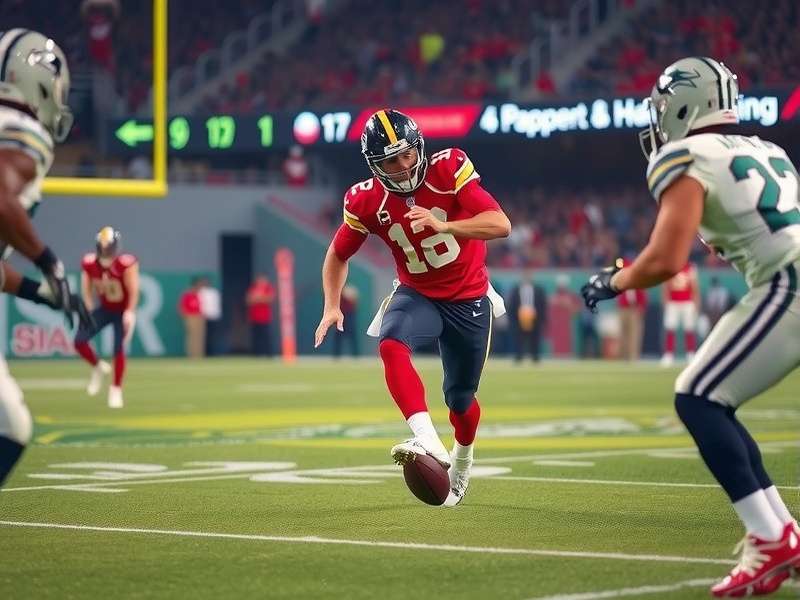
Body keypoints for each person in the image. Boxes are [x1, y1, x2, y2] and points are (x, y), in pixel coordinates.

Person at [581, 57, 800, 597]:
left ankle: (771, 538)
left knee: (698, 397)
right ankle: (781, 532)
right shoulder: (768, 150)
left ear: (683, 104)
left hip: (789, 286)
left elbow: (665, 260)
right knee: (713, 398)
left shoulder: (686, 154)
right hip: (789, 278)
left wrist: (614, 282)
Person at [314, 109, 510, 506]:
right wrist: (331, 305)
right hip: (418, 292)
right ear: (375, 165)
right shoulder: (366, 199)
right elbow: (337, 254)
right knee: (390, 342)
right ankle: (426, 439)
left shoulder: (448, 169)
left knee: (461, 401)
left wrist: (447, 226)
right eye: (390, 161)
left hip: (469, 297)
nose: (403, 167)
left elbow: (500, 223)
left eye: (406, 155)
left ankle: (463, 459)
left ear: (419, 148)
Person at [0, 30, 92, 486]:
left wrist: (41, 294)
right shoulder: (21, 131)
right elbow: (0, 197)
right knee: (8, 427)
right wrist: (48, 262)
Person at [74, 227, 139, 408]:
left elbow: (133, 289)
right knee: (79, 341)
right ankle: (97, 366)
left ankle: (116, 389)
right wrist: (87, 308)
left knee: (118, 349)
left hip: (122, 311)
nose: (105, 250)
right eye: (103, 246)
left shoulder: (125, 263)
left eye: (108, 246)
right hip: (105, 309)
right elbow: (86, 288)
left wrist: (130, 311)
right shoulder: (89, 263)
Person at [661, 262, 700, 366]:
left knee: (689, 328)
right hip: (673, 302)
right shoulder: (671, 266)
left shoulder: (691, 268)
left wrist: (696, 305)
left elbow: (694, 287)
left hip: (687, 302)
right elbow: (666, 286)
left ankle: (690, 354)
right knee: (670, 328)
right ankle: (668, 354)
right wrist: (666, 302)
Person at [507, 273, 547, 362]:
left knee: (535, 338)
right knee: (518, 338)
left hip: (534, 317)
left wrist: (542, 317)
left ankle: (535, 356)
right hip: (519, 317)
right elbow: (512, 304)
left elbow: (542, 304)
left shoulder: (538, 290)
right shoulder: (516, 289)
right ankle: (519, 356)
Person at [247, 274, 275, 356]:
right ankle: (257, 354)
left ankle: (268, 354)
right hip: (254, 317)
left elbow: (269, 299)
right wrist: (259, 298)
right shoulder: (253, 288)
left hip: (265, 317)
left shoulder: (267, 288)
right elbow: (248, 300)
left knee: (266, 336)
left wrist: (257, 298)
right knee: (256, 337)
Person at [179, 278, 205, 358]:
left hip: (200, 316)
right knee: (192, 336)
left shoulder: (201, 294)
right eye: (199, 285)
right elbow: (182, 306)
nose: (200, 287)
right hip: (190, 316)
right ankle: (191, 355)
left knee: (199, 336)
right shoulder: (188, 294)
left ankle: (199, 354)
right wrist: (185, 316)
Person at [333, 284, 359, 358]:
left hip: (349, 316)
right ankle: (336, 356)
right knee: (338, 337)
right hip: (340, 315)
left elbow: (354, 300)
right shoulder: (336, 291)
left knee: (352, 336)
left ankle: (356, 356)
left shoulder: (349, 289)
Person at [198, 276, 222, 356]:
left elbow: (216, 305)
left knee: (213, 336)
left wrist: (216, 315)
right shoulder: (200, 292)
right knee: (204, 337)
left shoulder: (214, 292)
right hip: (203, 317)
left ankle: (213, 353)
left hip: (213, 317)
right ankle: (205, 353)